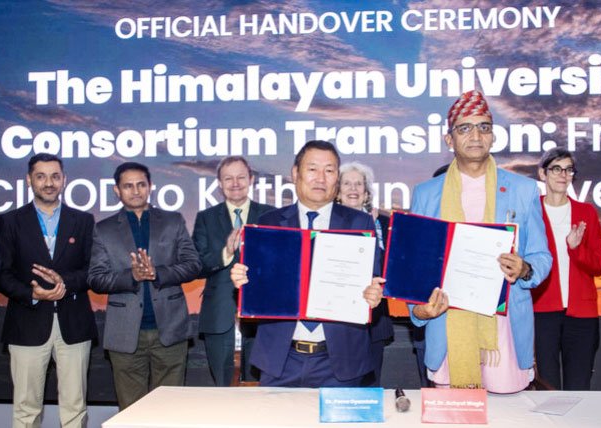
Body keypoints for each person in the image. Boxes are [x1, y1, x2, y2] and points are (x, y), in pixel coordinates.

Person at [408, 90, 552, 392]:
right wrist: (419, 311)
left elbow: (542, 257)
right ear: (449, 139)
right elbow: (416, 268)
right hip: (447, 325)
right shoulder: (426, 194)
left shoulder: (523, 190)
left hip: (504, 331)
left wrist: (524, 269)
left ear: (493, 136)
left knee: (509, 413)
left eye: (484, 127)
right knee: (454, 412)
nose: (476, 135)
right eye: (465, 128)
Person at [230, 140, 385, 387]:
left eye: (329, 170)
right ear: (295, 174)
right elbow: (256, 284)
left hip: (340, 360)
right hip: (280, 359)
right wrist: (243, 281)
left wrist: (373, 294)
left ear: (337, 177)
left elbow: (373, 278)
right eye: (312, 169)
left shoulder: (360, 223)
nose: (321, 178)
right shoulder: (268, 222)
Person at [88, 162, 201, 409]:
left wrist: (157, 273)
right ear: (117, 190)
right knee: (131, 411)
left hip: (169, 329)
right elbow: (96, 278)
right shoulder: (103, 229)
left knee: (169, 409)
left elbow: (193, 264)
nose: (136, 191)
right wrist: (132, 276)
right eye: (128, 186)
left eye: (141, 184)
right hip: (125, 333)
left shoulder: (172, 221)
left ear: (150, 186)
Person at [0, 153, 97, 427]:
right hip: (26, 323)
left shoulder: (83, 221)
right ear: (29, 180)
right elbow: (0, 274)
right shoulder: (10, 221)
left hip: (74, 324)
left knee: (75, 408)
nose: (48, 183)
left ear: (64, 180)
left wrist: (64, 283)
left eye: (55, 176)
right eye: (41, 176)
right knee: (26, 409)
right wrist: (31, 294)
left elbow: (93, 270)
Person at [531, 149, 601, 390]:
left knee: (579, 386)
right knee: (547, 385)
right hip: (541, 310)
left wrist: (576, 249)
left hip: (582, 314)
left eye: (568, 170)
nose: (563, 174)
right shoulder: (531, 211)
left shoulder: (586, 212)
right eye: (556, 168)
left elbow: (600, 264)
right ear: (542, 174)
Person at [193, 156, 274, 386]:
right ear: (220, 183)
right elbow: (196, 265)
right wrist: (226, 252)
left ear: (251, 179)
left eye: (241, 177)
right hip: (219, 314)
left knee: (259, 388)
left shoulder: (270, 216)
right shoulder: (205, 218)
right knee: (223, 387)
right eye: (228, 178)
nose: (235, 183)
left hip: (261, 316)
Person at [335, 162, 394, 386]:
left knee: (370, 384)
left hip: (374, 319)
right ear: (337, 192)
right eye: (346, 183)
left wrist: (372, 227)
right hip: (336, 318)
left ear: (367, 192)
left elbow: (390, 265)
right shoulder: (326, 222)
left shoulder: (384, 223)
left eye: (358, 184)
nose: (353, 188)